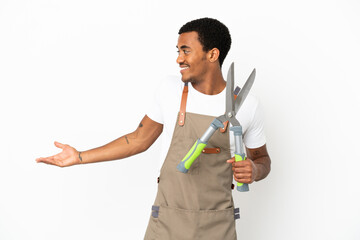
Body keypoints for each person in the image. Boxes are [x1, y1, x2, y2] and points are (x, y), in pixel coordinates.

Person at [36, 17, 271, 240]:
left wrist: (255, 170)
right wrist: (78, 156)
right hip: (168, 221)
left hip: (218, 225)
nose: (179, 59)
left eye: (185, 50)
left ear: (212, 54)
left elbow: (262, 160)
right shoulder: (170, 90)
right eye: (178, 51)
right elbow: (138, 139)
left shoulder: (248, 105)